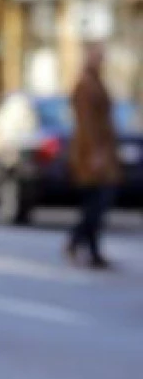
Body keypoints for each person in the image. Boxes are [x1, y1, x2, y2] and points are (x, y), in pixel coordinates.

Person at [67, 42, 121, 269]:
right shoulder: (86, 85)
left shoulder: (97, 82)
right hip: (92, 155)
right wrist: (95, 153)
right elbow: (87, 124)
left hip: (101, 153)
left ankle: (82, 244)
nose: (101, 60)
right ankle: (85, 245)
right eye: (97, 56)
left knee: (95, 203)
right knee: (97, 203)